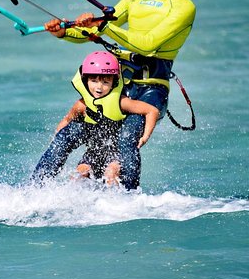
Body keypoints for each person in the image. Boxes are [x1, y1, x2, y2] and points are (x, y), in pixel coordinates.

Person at [31, 0, 196, 190]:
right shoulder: (132, 0)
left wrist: (105, 26)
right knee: (69, 134)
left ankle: (129, 198)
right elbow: (95, 31)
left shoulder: (183, 6)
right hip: (118, 88)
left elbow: (149, 44)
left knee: (128, 137)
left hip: (151, 90)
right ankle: (33, 191)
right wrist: (65, 31)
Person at [32, 51, 159, 186]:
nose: (99, 87)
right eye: (94, 81)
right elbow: (67, 120)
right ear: (86, 81)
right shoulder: (82, 105)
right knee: (78, 175)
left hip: (117, 153)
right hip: (94, 152)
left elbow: (152, 111)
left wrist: (145, 136)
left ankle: (116, 203)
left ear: (113, 83)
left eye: (105, 82)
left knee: (111, 173)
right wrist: (56, 140)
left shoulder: (121, 102)